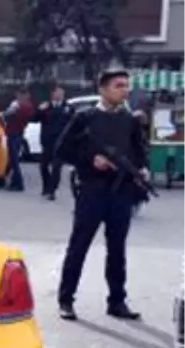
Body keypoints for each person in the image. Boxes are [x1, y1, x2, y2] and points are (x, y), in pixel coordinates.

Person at [53, 68, 147, 322]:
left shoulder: (129, 120)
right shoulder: (85, 117)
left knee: (117, 249)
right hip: (92, 191)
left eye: (126, 86)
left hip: (121, 192)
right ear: (103, 89)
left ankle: (117, 301)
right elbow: (61, 148)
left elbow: (139, 149)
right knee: (79, 246)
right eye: (119, 86)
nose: (124, 90)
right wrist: (89, 160)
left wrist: (143, 169)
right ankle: (66, 299)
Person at [33, 85, 73, 200]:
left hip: (61, 143)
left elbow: (73, 123)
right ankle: (46, 186)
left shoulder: (68, 108)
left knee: (57, 167)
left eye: (62, 93)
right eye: (58, 93)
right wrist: (39, 110)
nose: (60, 95)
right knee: (43, 166)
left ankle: (52, 191)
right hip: (47, 141)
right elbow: (34, 119)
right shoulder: (46, 107)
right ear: (53, 94)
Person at [0, 88, 35, 192]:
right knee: (12, 159)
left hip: (16, 133)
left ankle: (19, 183)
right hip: (14, 132)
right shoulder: (21, 105)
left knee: (14, 160)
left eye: (20, 95)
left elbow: (8, 115)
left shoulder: (24, 106)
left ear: (24, 95)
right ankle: (11, 181)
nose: (18, 97)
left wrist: (8, 112)